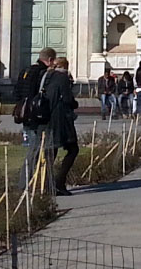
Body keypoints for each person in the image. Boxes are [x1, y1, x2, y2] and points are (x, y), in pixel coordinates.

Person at [16, 47, 56, 193]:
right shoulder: (43, 74)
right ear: (50, 60)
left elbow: (16, 93)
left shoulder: (25, 71)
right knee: (37, 150)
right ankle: (27, 184)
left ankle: (33, 183)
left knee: (33, 149)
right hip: (37, 118)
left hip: (24, 116)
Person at [42, 56, 81, 195]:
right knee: (73, 149)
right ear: (65, 66)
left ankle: (47, 184)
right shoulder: (62, 77)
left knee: (51, 151)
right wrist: (74, 104)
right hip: (61, 119)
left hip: (47, 118)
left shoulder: (46, 76)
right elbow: (67, 99)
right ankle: (59, 182)